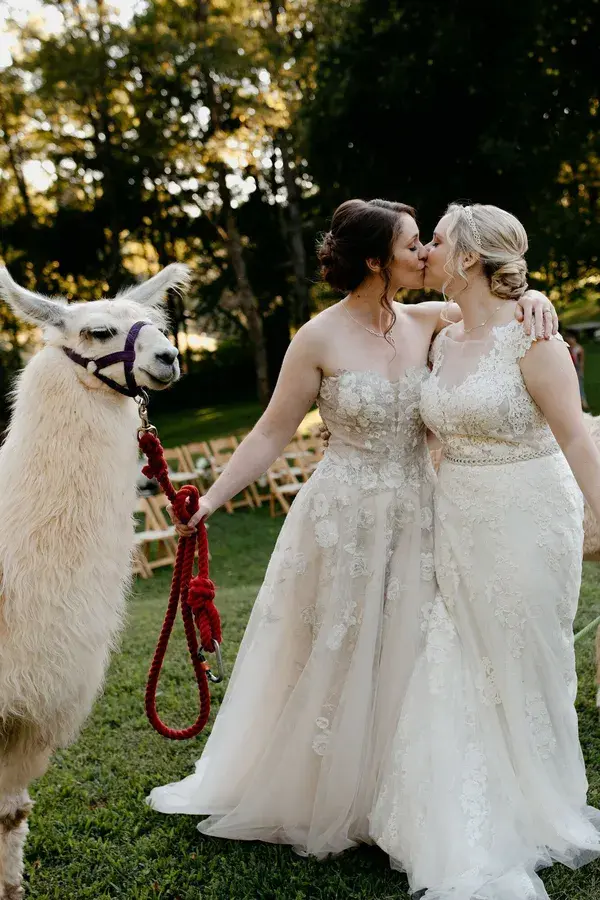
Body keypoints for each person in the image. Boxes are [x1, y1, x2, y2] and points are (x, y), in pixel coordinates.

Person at [147, 199, 556, 860]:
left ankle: (401, 790)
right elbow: (271, 433)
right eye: (413, 243)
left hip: (423, 511)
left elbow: (494, 299)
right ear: (376, 260)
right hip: (341, 519)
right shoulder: (316, 339)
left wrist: (536, 296)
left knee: (415, 652)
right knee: (338, 654)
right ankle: (330, 791)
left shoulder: (430, 319)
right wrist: (211, 501)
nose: (427, 253)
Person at [370, 203, 600, 900]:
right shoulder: (441, 336)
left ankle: (540, 801)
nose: (427, 250)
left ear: (468, 259)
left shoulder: (536, 344)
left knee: (526, 659)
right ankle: (458, 799)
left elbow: (577, 437)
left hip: (530, 514)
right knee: (459, 653)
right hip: (459, 517)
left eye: (436, 241)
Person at [565, 329, 590, 411]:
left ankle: (584, 402)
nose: (569, 340)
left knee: (580, 386)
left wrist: (581, 372)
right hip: (569, 368)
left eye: (570, 338)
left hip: (577, 369)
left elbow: (581, 362)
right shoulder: (567, 348)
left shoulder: (579, 349)